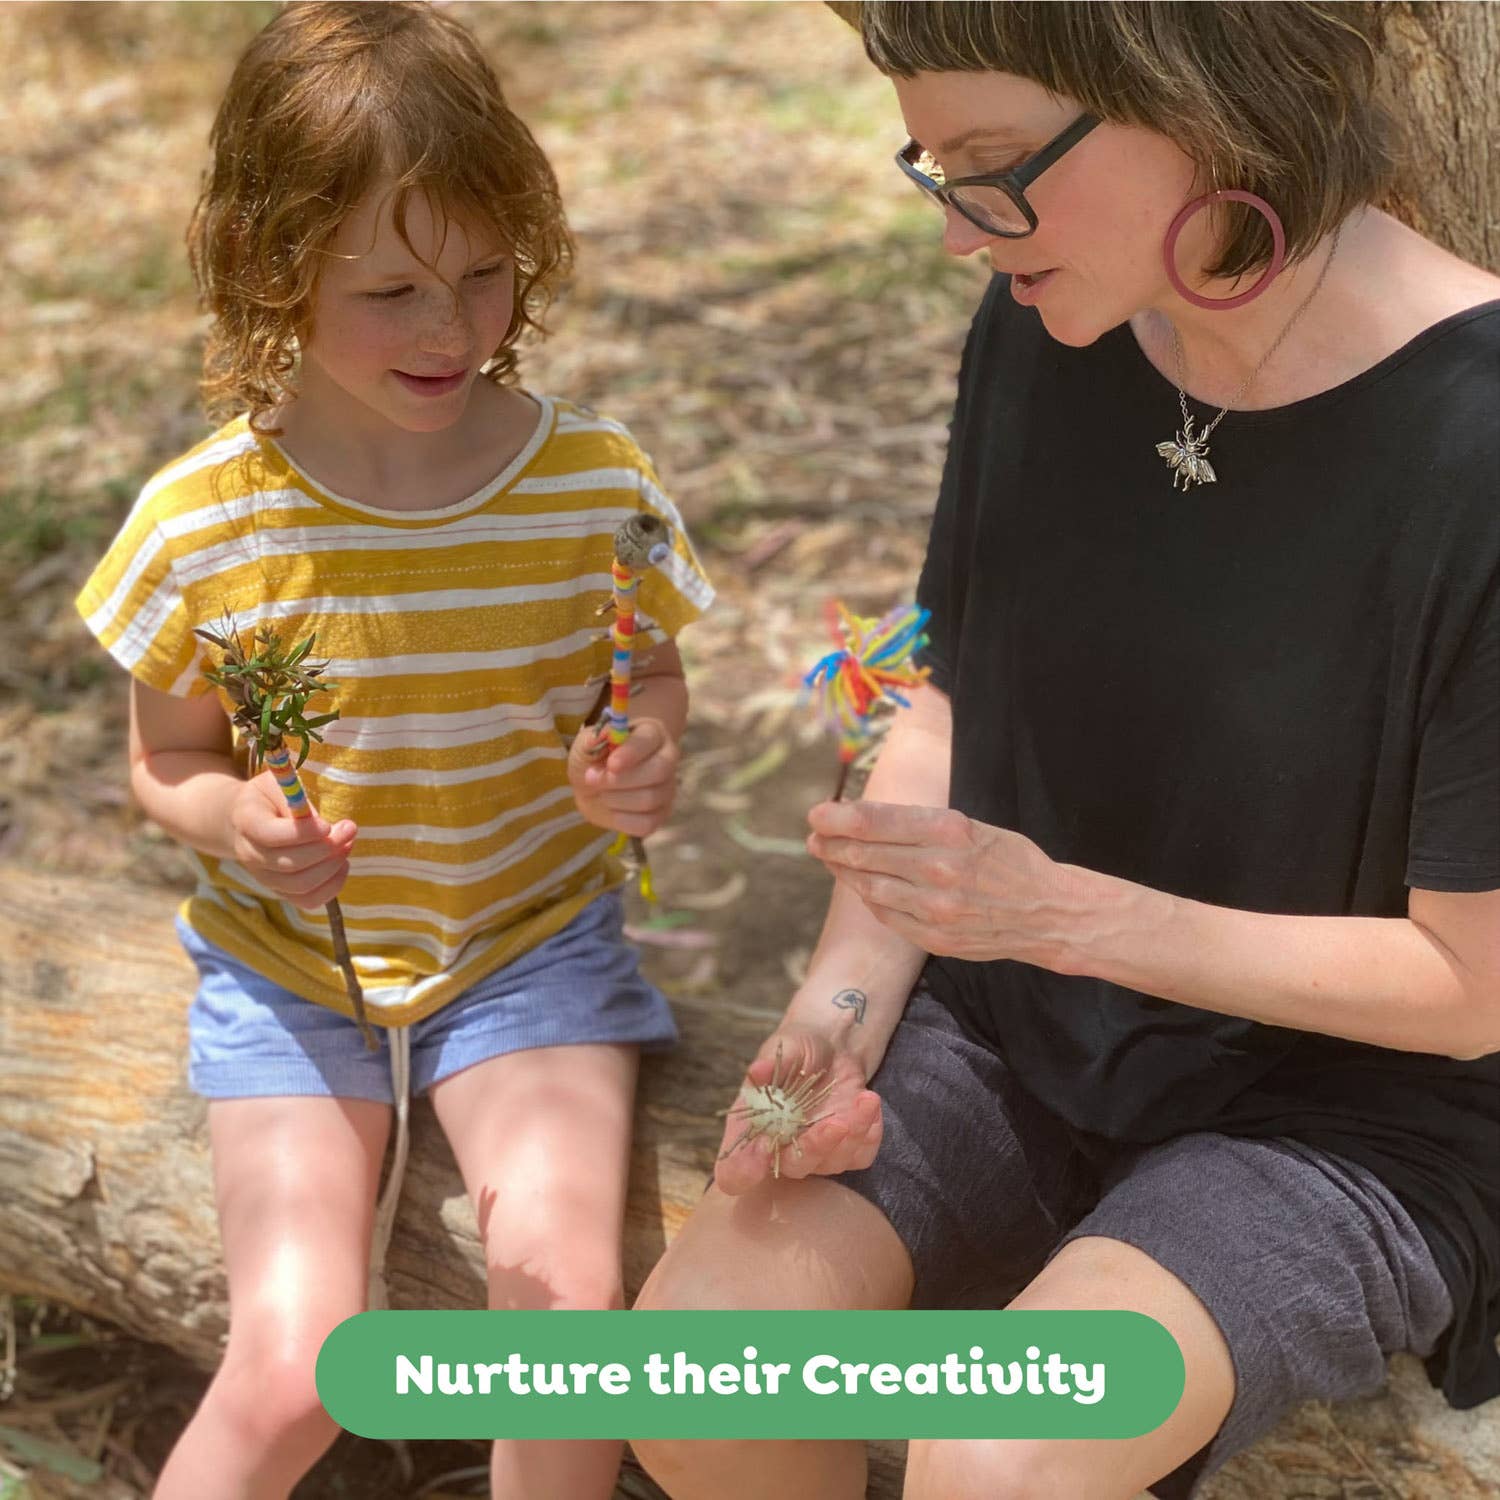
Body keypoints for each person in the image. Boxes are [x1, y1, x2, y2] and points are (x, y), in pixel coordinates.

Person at [632, 4, 1499, 1498]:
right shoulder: (1053, 316)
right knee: (703, 1370)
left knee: (1001, 1452)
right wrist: (837, 1011)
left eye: (994, 166)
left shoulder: (1478, 443)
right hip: (1015, 1026)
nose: (967, 230)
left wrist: (1065, 917)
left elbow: (1471, 993)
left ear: (1201, 98)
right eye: (936, 168)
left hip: (1352, 1107)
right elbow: (950, 706)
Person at [74, 5, 712, 1498]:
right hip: (293, 981)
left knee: (563, 1332)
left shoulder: (590, 485)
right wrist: (237, 819)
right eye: (392, 290)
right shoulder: (202, 523)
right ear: (268, 267)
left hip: (531, 946)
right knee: (299, 1365)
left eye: (485, 276)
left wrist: (644, 753)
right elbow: (163, 763)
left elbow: (655, 676)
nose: (450, 329)